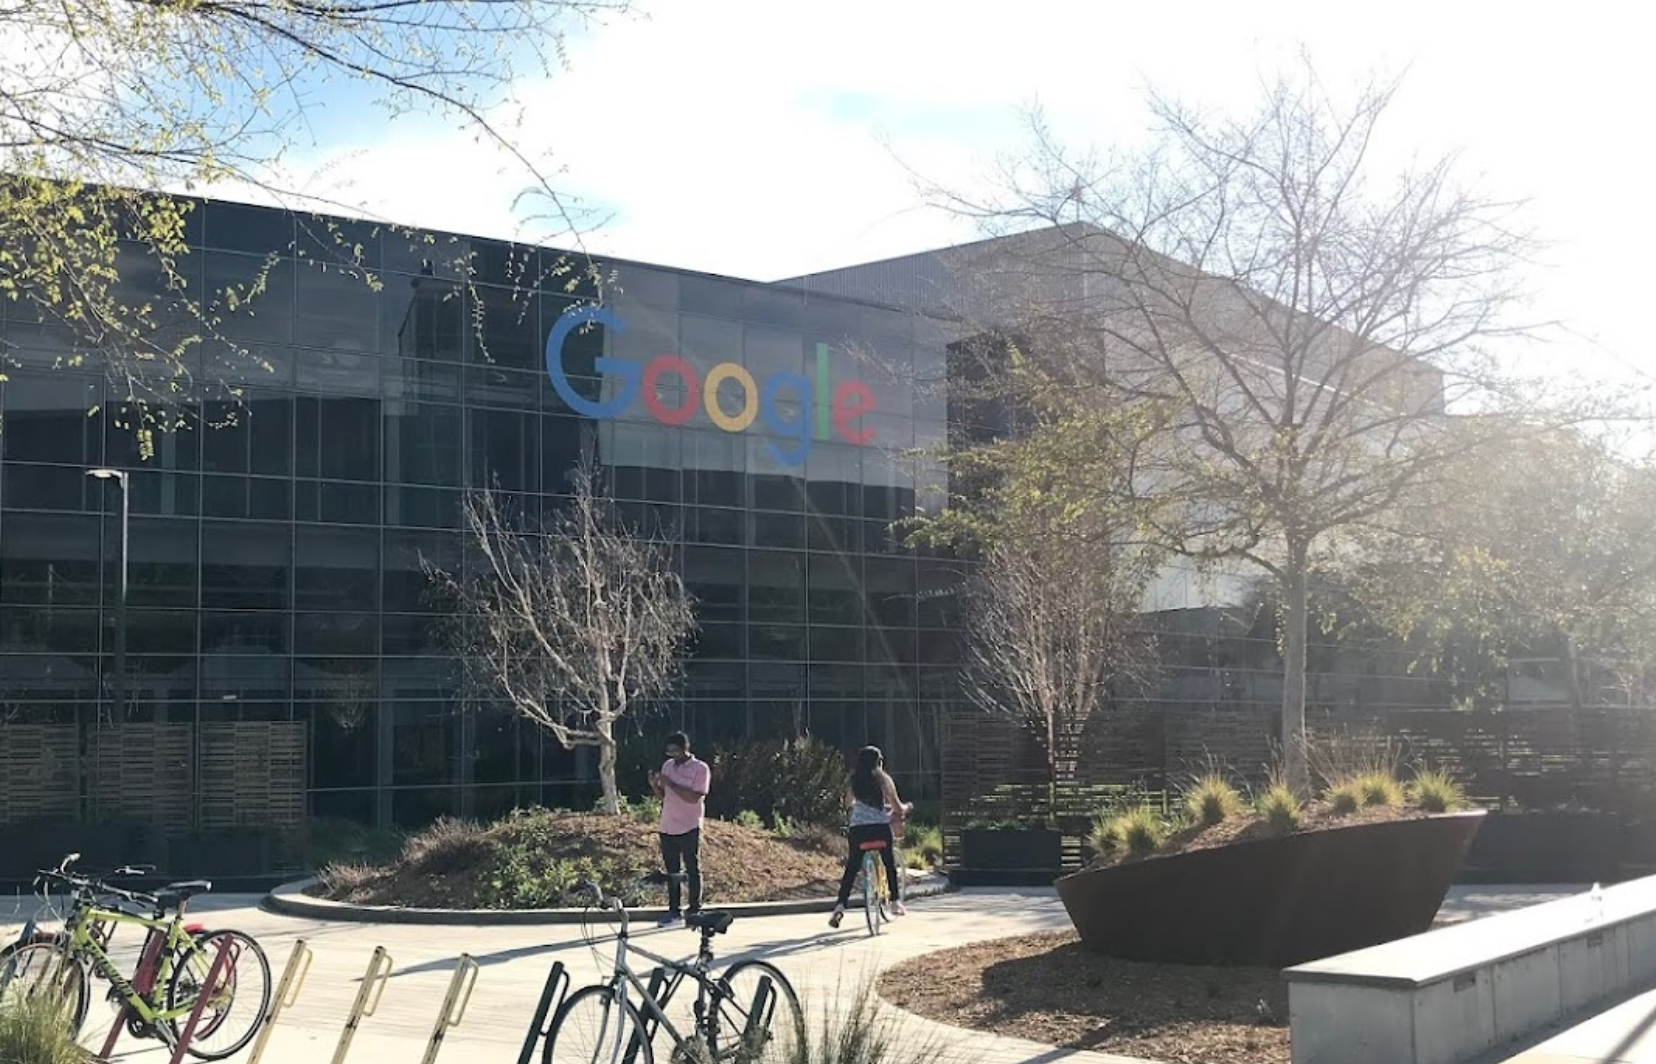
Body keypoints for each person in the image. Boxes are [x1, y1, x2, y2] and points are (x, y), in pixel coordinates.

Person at [829, 745, 910, 928]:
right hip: (879, 829)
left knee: (851, 868)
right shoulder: (884, 779)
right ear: (878, 762)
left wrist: (860, 805)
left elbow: (847, 803)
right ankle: (895, 901)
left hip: (858, 830)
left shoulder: (853, 780)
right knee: (889, 862)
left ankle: (840, 906)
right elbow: (897, 806)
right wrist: (905, 808)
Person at [649, 731, 710, 928]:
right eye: (669, 752)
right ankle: (674, 911)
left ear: (685, 748)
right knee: (671, 871)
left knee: (692, 868)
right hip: (668, 826)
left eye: (675, 751)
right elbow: (665, 796)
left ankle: (694, 909)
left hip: (689, 825)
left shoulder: (700, 769)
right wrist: (655, 786)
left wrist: (671, 783)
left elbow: (694, 798)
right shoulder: (668, 766)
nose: (672, 756)